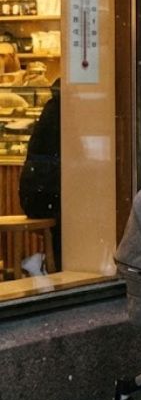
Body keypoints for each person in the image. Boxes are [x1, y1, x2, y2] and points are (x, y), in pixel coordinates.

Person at [19, 78, 61, 274]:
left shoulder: (49, 111)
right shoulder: (61, 114)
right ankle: (52, 266)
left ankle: (43, 262)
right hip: (47, 197)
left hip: (34, 195)